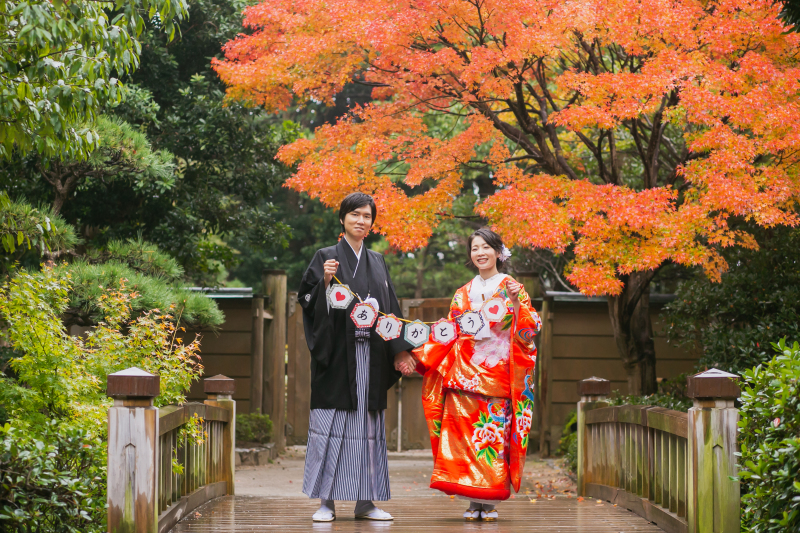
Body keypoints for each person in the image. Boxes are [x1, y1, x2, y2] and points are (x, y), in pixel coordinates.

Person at [394, 228, 542, 522]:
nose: (480, 253)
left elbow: (530, 329)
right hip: (462, 376)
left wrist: (515, 303)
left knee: (492, 441)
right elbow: (448, 333)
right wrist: (418, 356)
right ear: (470, 255)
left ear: (499, 252)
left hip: (497, 375)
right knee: (463, 442)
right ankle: (473, 501)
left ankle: (490, 501)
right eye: (475, 248)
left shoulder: (512, 287)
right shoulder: (463, 293)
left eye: (486, 247)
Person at [298, 192, 415, 522]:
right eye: (355, 214)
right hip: (337, 357)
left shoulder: (377, 261)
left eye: (367, 216)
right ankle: (326, 502)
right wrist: (324, 280)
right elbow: (306, 300)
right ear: (342, 218)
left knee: (367, 429)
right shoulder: (325, 256)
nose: (361, 221)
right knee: (331, 426)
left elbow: (390, 309)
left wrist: (400, 350)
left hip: (371, 357)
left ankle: (366, 502)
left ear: (372, 223)